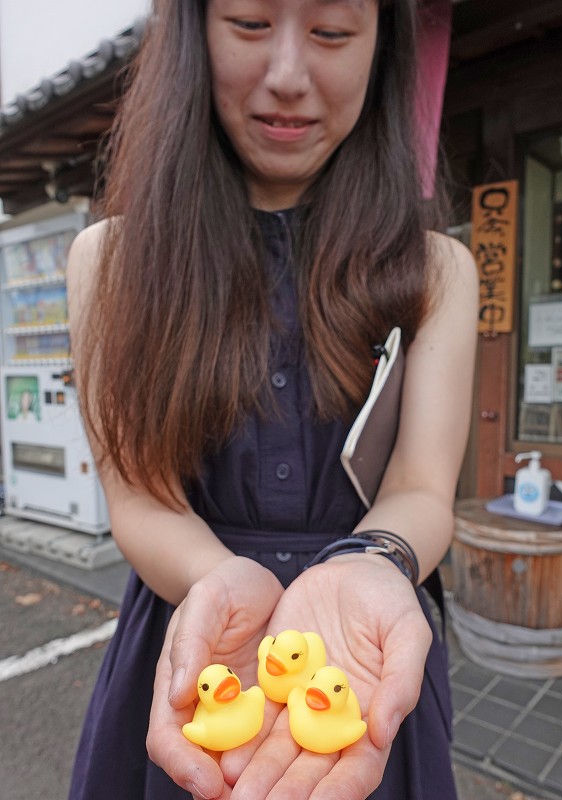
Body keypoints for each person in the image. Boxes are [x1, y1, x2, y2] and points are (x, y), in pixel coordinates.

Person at [67, 0, 478, 798]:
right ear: (192, 34)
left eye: (331, 32)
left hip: (363, 649)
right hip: (194, 639)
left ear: (379, 50)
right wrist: (216, 579)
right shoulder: (108, 261)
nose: (288, 76)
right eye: (250, 22)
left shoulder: (434, 269)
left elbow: (422, 490)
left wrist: (373, 563)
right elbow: (141, 500)